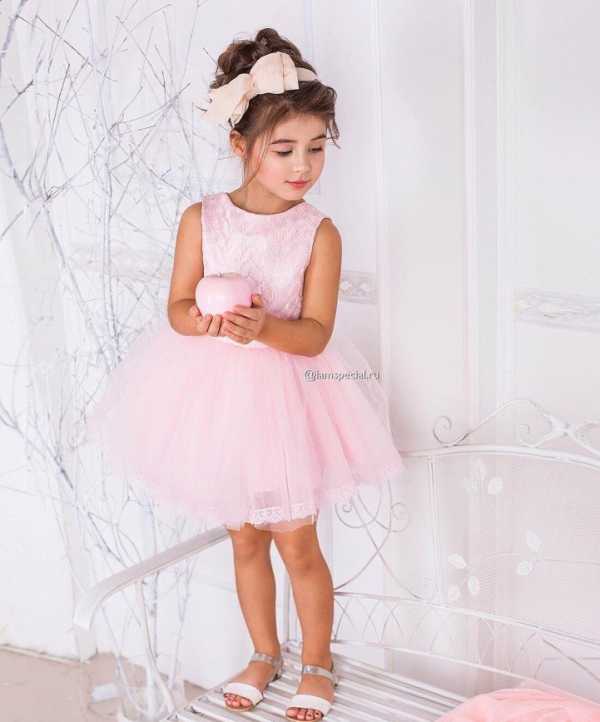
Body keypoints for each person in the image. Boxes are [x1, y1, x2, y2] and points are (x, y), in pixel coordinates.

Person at [86, 27, 406, 721]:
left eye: (317, 147)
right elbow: (177, 306)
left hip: (291, 399)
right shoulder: (202, 219)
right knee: (245, 536)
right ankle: (265, 653)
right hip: (215, 401)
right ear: (241, 144)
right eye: (284, 149)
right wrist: (201, 322)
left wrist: (264, 329)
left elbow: (316, 334)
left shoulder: (318, 232)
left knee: (297, 539)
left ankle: (316, 661)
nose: (303, 165)